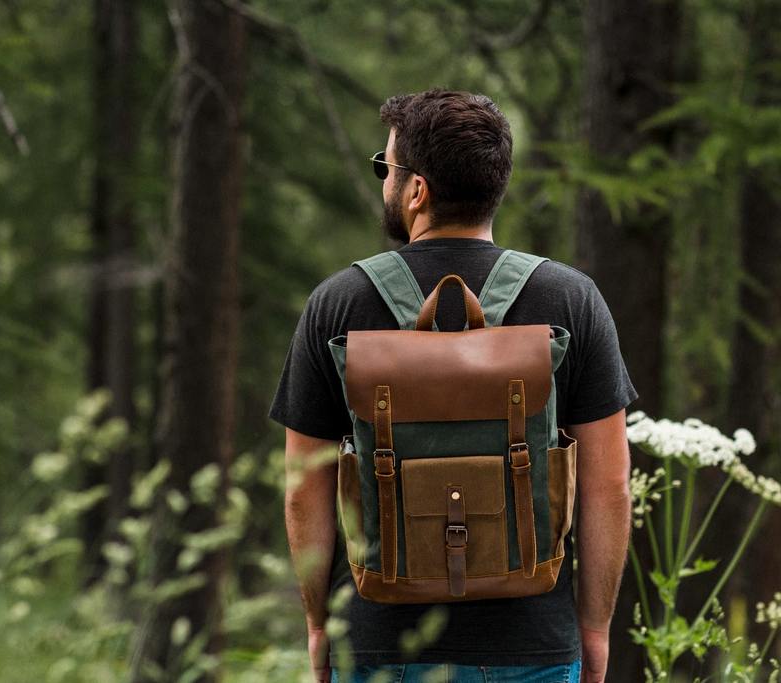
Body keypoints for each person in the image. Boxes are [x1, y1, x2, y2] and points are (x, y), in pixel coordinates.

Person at [268, 89, 636, 683]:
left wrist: (320, 626)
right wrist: (592, 629)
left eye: (385, 167)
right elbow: (609, 486)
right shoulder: (571, 300)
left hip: (379, 645)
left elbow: (302, 489)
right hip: (533, 646)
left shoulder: (338, 305)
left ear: (417, 191)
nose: (383, 180)